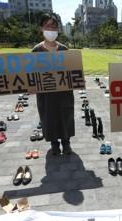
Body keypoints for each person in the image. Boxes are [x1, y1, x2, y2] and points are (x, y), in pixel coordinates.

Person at [33, 13, 75, 156]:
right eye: (48, 26)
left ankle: (66, 142)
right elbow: (31, 75)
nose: (51, 29)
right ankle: (54, 144)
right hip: (46, 94)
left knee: (65, 115)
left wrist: (78, 80)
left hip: (64, 93)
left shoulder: (64, 50)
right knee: (49, 117)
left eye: (54, 26)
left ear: (58, 29)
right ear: (41, 28)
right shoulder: (36, 51)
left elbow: (72, 72)